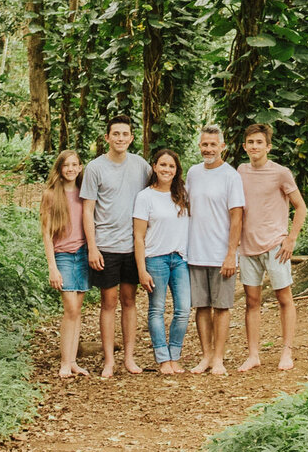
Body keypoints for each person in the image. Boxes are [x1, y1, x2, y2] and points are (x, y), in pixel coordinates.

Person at [79, 114, 152, 377]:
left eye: (125, 134)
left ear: (131, 138)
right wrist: (92, 247)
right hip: (106, 245)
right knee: (108, 302)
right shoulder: (95, 168)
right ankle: (109, 360)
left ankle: (129, 358)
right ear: (107, 137)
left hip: (133, 246)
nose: (120, 138)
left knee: (129, 300)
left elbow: (157, 194)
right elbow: (88, 210)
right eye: (116, 134)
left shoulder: (141, 166)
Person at [237, 122, 307, 372]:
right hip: (248, 247)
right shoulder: (240, 171)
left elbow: (300, 206)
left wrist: (291, 239)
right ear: (244, 146)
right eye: (251, 142)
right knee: (251, 301)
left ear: (268, 146)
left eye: (259, 142)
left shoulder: (281, 173)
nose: (255, 146)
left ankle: (287, 351)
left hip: (276, 246)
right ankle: (253, 354)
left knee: (283, 297)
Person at [182, 124, 245, 373]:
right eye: (205, 144)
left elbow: (237, 218)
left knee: (221, 306)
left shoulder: (231, 176)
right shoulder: (193, 173)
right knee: (201, 306)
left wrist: (231, 254)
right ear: (200, 146)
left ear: (222, 147)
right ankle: (206, 356)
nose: (208, 149)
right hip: (196, 252)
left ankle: (218, 357)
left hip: (221, 254)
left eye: (213, 144)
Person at [131, 149, 193, 374]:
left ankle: (174, 355)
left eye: (171, 166)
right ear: (155, 167)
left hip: (180, 259)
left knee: (183, 309)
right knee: (156, 309)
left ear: (177, 170)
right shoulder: (145, 197)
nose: (167, 169)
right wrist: (141, 270)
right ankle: (162, 358)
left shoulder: (183, 194)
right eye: (163, 165)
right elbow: (138, 236)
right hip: (155, 259)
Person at [37, 150, 89, 379]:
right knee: (70, 309)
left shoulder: (84, 193)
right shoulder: (50, 195)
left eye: (74, 165)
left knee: (77, 310)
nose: (70, 169)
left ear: (80, 167)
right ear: (59, 169)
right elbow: (46, 234)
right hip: (63, 256)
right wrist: (52, 267)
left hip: (83, 254)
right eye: (66, 165)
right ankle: (65, 363)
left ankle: (73, 360)